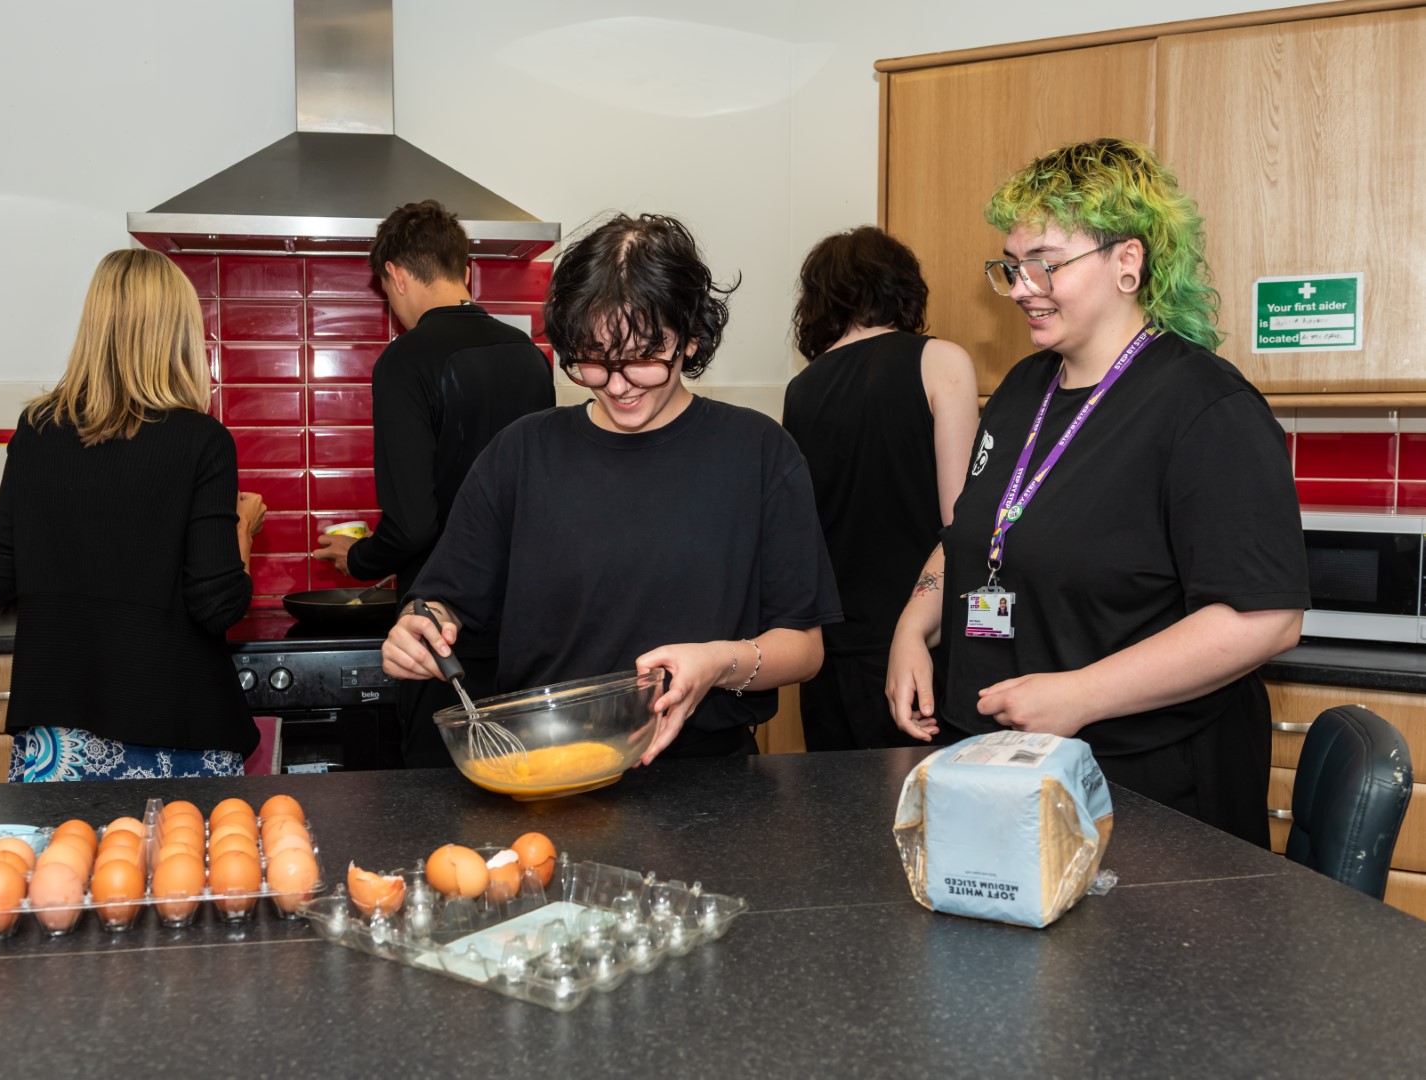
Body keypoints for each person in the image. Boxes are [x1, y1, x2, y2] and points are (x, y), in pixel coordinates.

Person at [886, 137, 1307, 845]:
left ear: (1127, 263)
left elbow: (1264, 619)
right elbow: (975, 532)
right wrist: (912, 627)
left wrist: (1082, 694)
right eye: (1012, 266)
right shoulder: (1024, 386)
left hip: (1141, 787)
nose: (1022, 286)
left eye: (1045, 264)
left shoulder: (1205, 407)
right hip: (1003, 766)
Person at [381, 213, 842, 761]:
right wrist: (420, 625)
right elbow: (444, 601)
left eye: (643, 358)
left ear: (691, 338)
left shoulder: (759, 452)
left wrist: (719, 662)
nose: (618, 384)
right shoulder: (521, 452)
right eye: (594, 361)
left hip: (712, 786)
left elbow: (804, 647)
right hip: (548, 772)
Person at [0, 248, 268, 781]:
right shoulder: (202, 441)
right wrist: (241, 528)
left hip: (56, 740)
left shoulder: (35, 429)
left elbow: (2, 574)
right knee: (182, 868)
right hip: (177, 734)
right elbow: (218, 604)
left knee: (60, 868)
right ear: (179, 335)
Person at [310, 199, 554, 767]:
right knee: (524, 785)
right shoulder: (528, 356)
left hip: (441, 633)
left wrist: (361, 559)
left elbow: (414, 524)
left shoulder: (405, 362)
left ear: (394, 274)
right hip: (526, 625)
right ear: (463, 269)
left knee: (436, 794)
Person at [782, 227, 978, 751]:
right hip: (916, 646)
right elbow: (964, 523)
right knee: (923, 822)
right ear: (902, 287)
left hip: (827, 651)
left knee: (840, 823)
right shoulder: (940, 361)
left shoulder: (802, 389)